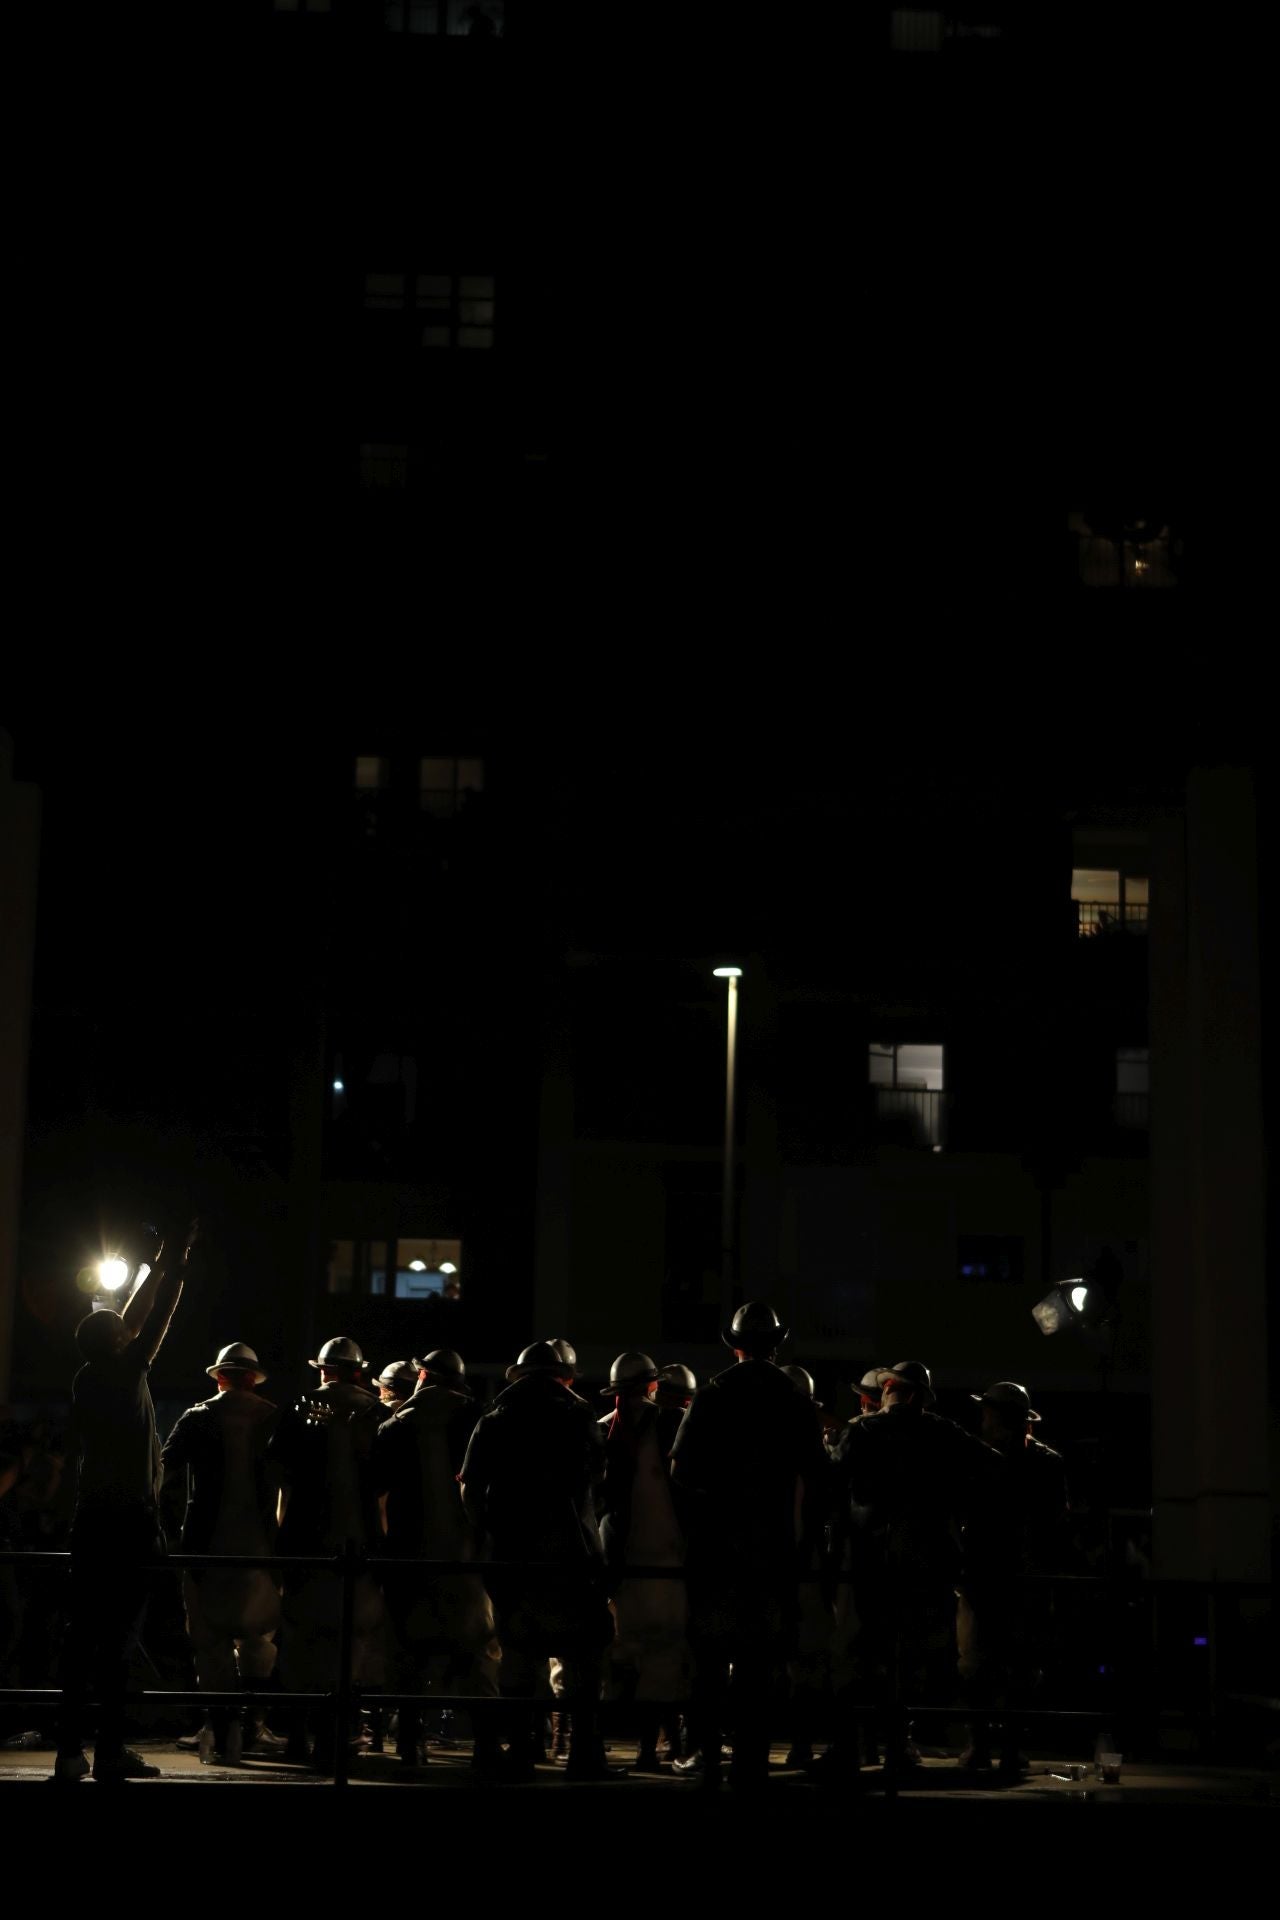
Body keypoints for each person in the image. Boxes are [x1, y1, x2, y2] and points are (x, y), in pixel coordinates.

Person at [53, 1219, 199, 1784]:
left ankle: (70, 1752)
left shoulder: (88, 1378)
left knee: (81, 1637)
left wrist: (162, 1260)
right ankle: (111, 1751)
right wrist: (174, 1261)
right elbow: (155, 1316)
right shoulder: (129, 1370)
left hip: (90, 1520)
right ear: (120, 1342)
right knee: (118, 1640)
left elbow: (135, 1319)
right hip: (131, 1521)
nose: (130, 1329)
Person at [670, 1300, 829, 1792]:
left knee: (712, 1655)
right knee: (759, 1659)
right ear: (778, 1345)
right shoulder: (792, 1397)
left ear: (734, 1344)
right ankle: (752, 1757)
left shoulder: (714, 1393)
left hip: (718, 1549)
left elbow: (682, 1472)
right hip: (774, 1547)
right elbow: (819, 1479)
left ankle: (704, 1752)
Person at [825, 1360, 1004, 1779]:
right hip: (925, 1564)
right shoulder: (942, 1432)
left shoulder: (863, 1431)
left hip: (871, 1560)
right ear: (921, 1396)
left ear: (890, 1390)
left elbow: (830, 1476)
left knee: (862, 1653)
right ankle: (899, 1745)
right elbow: (993, 1466)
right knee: (908, 1659)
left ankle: (852, 1746)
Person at [460, 1340, 613, 1781]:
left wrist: (491, 1530)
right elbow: (598, 1476)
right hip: (574, 1552)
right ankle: (584, 1754)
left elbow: (470, 1488)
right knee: (584, 1656)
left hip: (513, 1553)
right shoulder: (579, 1415)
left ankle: (523, 1750)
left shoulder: (495, 1417)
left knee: (518, 1653)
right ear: (564, 1375)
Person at [369, 1348, 500, 1774]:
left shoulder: (395, 1425)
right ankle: (485, 1745)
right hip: (466, 1558)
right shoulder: (477, 1418)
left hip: (409, 1557)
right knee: (478, 1651)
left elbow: (374, 1490)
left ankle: (410, 1744)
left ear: (423, 1376)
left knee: (408, 1654)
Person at [268, 1336, 385, 1770]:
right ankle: (340, 1736)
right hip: (363, 1545)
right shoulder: (376, 1412)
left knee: (300, 1640)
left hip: (305, 1542)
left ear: (322, 1370)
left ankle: (298, 1735)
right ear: (358, 1371)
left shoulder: (300, 1409)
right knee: (352, 1644)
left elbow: (277, 1473)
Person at [161, 1343, 281, 1765]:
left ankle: (220, 1726)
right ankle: (252, 1725)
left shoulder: (197, 1417)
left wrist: (169, 1530)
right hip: (262, 1548)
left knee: (208, 1643)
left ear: (218, 1377)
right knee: (259, 1639)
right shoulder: (272, 1417)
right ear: (251, 1377)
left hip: (204, 1546)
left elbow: (166, 1471)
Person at [957, 1381, 1067, 1773]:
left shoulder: (980, 1458)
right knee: (1016, 1666)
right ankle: (1006, 1747)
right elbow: (1055, 1524)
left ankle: (984, 1745)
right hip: (1024, 1577)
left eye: (987, 1412)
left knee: (981, 1663)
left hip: (990, 1574)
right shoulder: (1047, 1462)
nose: (983, 1418)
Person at [596, 1352, 692, 1772]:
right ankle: (656, 1747)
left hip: (617, 1562)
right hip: (665, 1561)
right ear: (653, 1386)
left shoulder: (602, 1429)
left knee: (615, 1655)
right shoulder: (672, 1424)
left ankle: (597, 1742)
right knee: (666, 1654)